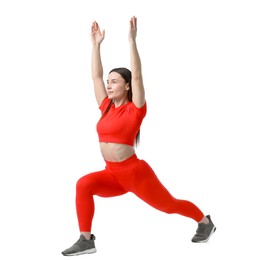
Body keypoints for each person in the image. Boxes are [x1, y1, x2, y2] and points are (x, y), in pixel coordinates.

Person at [61, 16, 216, 256]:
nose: (109, 85)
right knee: (83, 184)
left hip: (135, 174)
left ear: (126, 86)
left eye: (115, 82)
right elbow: (95, 76)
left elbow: (138, 76)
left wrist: (132, 41)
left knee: (169, 206)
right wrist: (95, 45)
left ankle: (204, 222)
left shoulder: (136, 109)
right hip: (112, 173)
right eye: (108, 82)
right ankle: (86, 239)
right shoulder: (106, 107)